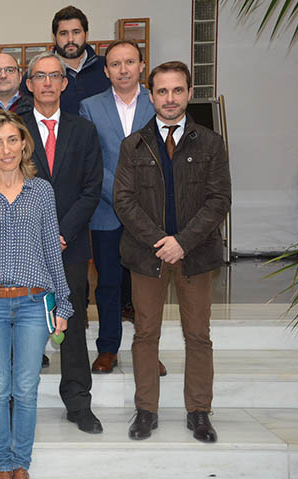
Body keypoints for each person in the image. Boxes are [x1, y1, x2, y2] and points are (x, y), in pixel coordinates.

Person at [116, 61, 231, 443]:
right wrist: (161, 242)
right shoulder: (132, 145)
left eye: (177, 90)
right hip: (147, 256)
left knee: (198, 335)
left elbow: (219, 199)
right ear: (150, 96)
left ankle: (199, 411)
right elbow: (124, 200)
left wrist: (183, 240)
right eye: (162, 91)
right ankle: (146, 410)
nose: (170, 98)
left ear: (188, 93)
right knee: (145, 334)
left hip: (195, 255)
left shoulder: (211, 143)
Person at [0, 110, 71, 479]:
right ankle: (2, 463)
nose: (6, 149)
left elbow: (51, 250)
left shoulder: (42, 191)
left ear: (24, 143)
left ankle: (21, 462)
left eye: (12, 139)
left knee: (26, 388)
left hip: (32, 304)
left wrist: (65, 305)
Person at [21, 51, 103, 434]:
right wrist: (37, 234)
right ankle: (17, 399)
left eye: (55, 76)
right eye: (40, 76)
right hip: (21, 245)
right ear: (29, 84)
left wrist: (62, 233)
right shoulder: (13, 129)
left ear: (65, 83)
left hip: (69, 245)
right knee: (19, 322)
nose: (48, 83)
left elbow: (91, 189)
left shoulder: (83, 130)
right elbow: (3, 184)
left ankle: (78, 401)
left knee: (70, 326)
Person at [79, 40, 167, 376]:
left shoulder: (157, 101)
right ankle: (107, 349)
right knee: (109, 283)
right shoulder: (90, 106)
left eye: (130, 62)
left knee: (147, 285)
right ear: (106, 71)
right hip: (107, 210)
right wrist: (120, 195)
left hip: (151, 213)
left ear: (142, 65)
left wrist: (142, 199)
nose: (123, 69)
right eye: (115, 64)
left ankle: (148, 350)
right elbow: (91, 159)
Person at [19, 5, 110, 114]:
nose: (70, 39)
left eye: (76, 32)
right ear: (54, 37)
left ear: (86, 35)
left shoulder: (106, 67)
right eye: (63, 33)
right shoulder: (36, 73)